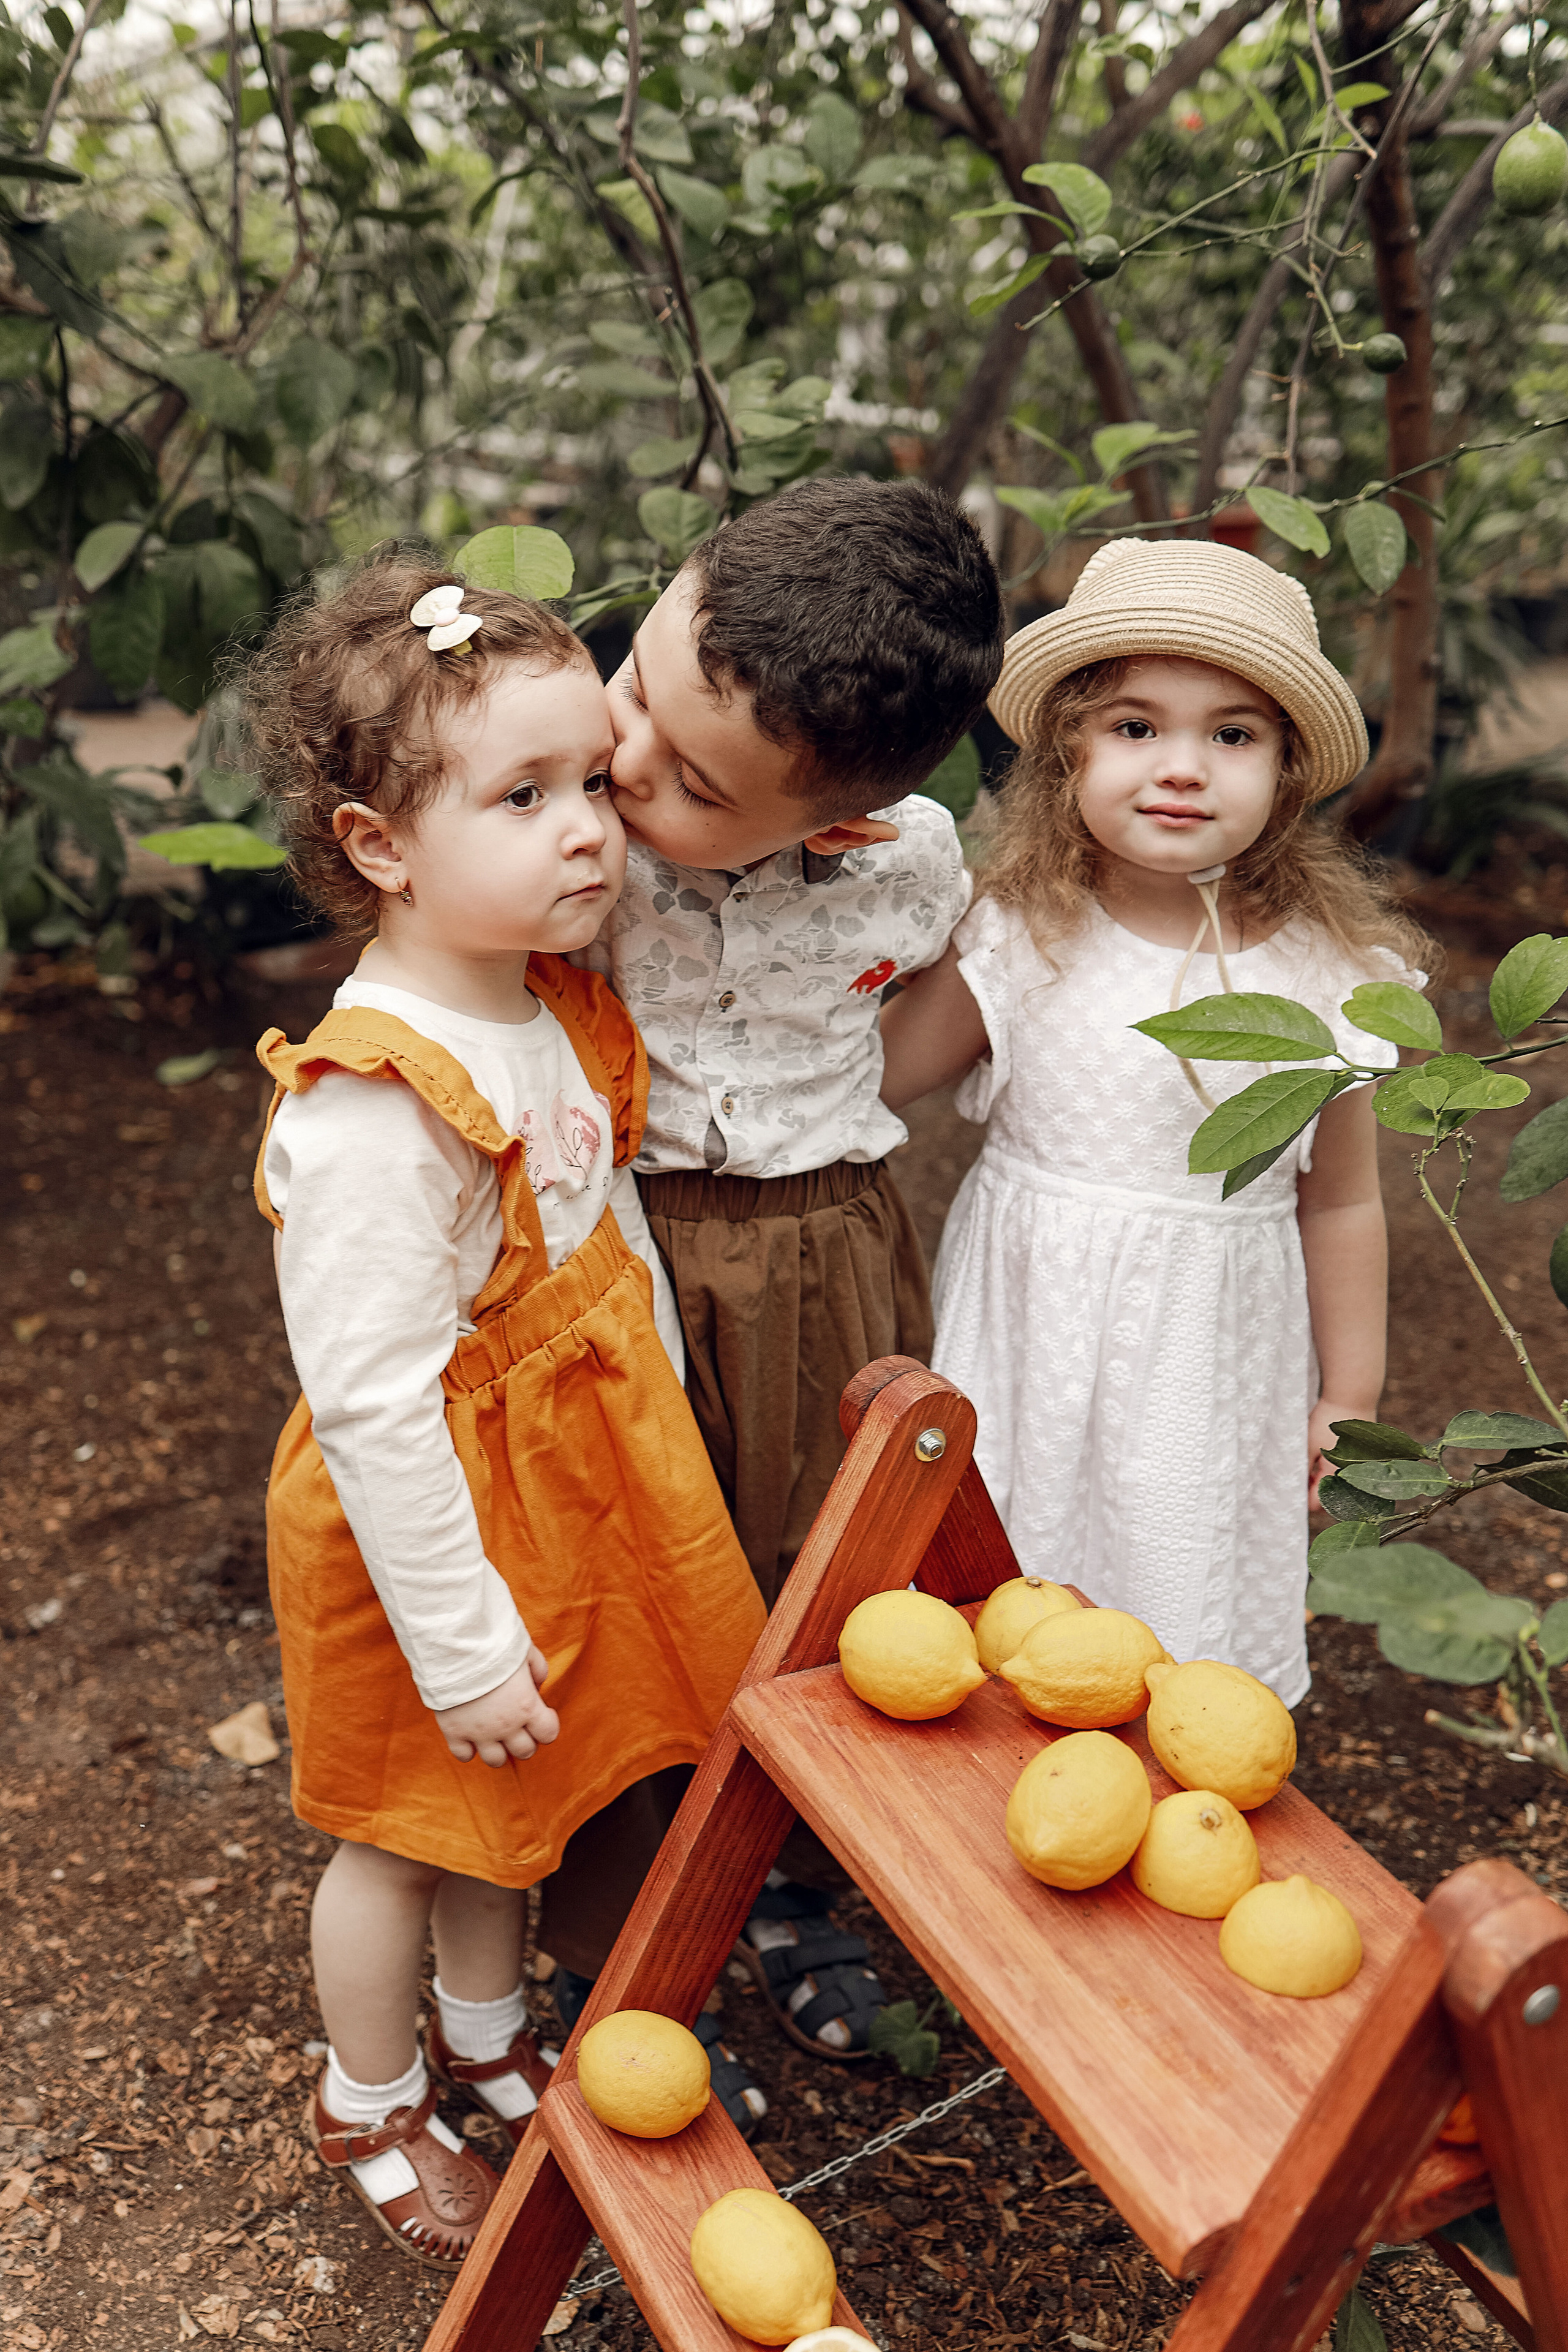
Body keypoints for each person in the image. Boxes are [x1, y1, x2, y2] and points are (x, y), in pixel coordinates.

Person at [245, 557, 765, 2267]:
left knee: (524, 1799)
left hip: (559, 1492)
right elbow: (377, 1400)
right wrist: (456, 1636)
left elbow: (596, 1228)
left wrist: (654, 1409)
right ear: (379, 846)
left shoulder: (545, 1004)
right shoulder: (377, 1110)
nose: (588, 834)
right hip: (431, 1538)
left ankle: (486, 2038)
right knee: (405, 1834)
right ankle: (369, 2087)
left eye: (592, 786)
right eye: (522, 797)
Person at [576, 474, 1005, 2060]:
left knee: (820, 1563)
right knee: (628, 1558)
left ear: (843, 822)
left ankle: (795, 1879)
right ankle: (608, 1894)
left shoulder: (914, 862)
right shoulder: (575, 822)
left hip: (826, 1243)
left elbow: (926, 989)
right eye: (638, 684)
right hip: (619, 1242)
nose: (629, 762)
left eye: (692, 778)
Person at [879, 537, 1434, 1707]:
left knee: (1181, 1606)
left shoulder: (1334, 975)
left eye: (1231, 734)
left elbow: (1340, 1201)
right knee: (1008, 1611)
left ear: (1284, 771)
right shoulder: (1022, 938)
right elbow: (868, 1082)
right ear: (1068, 752)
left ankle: (1177, 1802)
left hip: (1212, 1351)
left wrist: (1352, 1399)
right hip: (1031, 1329)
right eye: (1135, 727)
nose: (1182, 766)